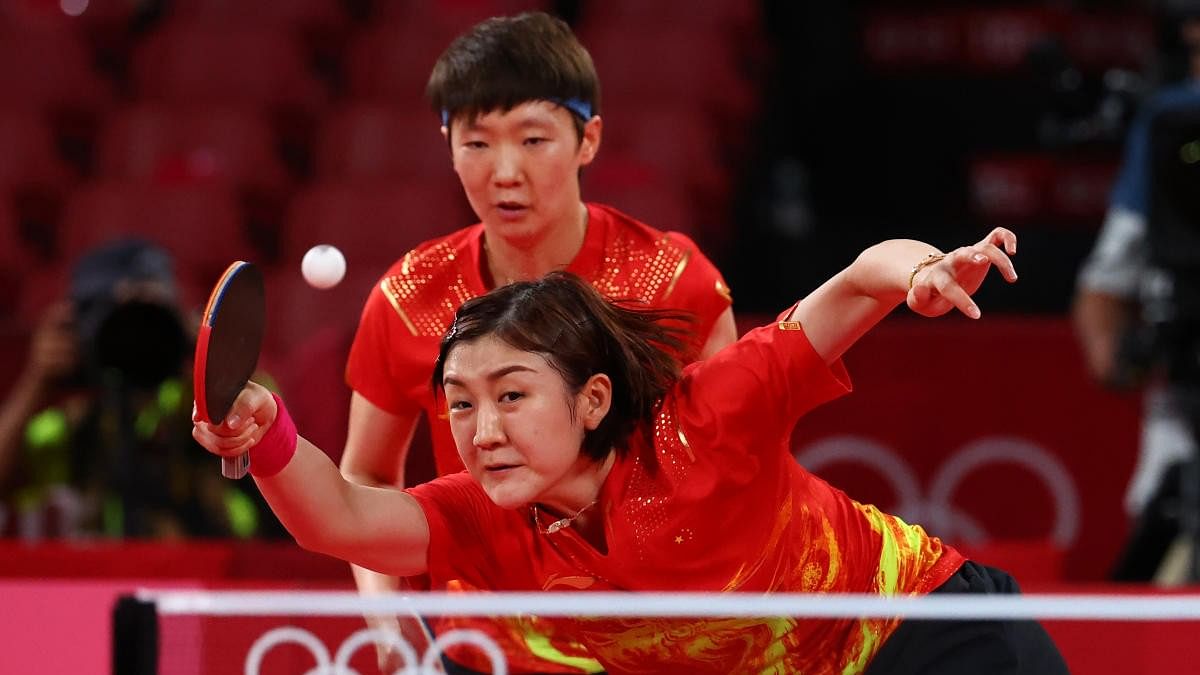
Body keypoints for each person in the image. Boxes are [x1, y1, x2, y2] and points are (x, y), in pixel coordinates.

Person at [195, 228, 1067, 674]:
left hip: (929, 641)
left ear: (593, 397)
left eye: (510, 396)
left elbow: (855, 283)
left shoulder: (707, 417)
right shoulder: (483, 514)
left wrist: (919, 271)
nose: (481, 429)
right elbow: (340, 516)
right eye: (458, 403)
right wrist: (264, 431)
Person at [339, 11, 737, 672]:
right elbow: (366, 474)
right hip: (484, 643)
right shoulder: (408, 300)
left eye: (532, 139)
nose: (504, 172)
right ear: (447, 144)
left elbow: (739, 471)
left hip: (652, 639)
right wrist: (391, 627)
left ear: (588, 140)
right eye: (476, 143)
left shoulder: (674, 283)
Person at [0, 239, 276, 540]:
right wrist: (36, 382)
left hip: (208, 574)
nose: (136, 338)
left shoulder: (204, 403)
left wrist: (218, 371)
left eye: (149, 317)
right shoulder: (72, 423)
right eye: (119, 320)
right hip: (100, 575)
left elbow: (281, 469)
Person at [1072, 11, 1200, 582]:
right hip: (1180, 432)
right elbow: (1104, 284)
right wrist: (1118, 356)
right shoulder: (1173, 127)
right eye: (1193, 53)